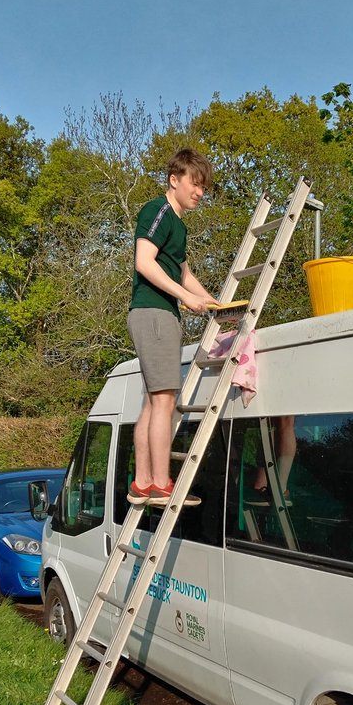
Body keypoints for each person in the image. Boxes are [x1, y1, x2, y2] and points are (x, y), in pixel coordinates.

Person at [127, 148, 216, 506]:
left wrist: (212, 302)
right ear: (174, 180)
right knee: (165, 401)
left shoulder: (178, 224)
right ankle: (161, 483)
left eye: (203, 188)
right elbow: (144, 263)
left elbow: (182, 272)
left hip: (160, 313)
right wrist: (183, 298)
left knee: (152, 403)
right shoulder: (158, 210)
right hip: (154, 313)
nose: (199, 192)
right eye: (194, 185)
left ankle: (144, 483)